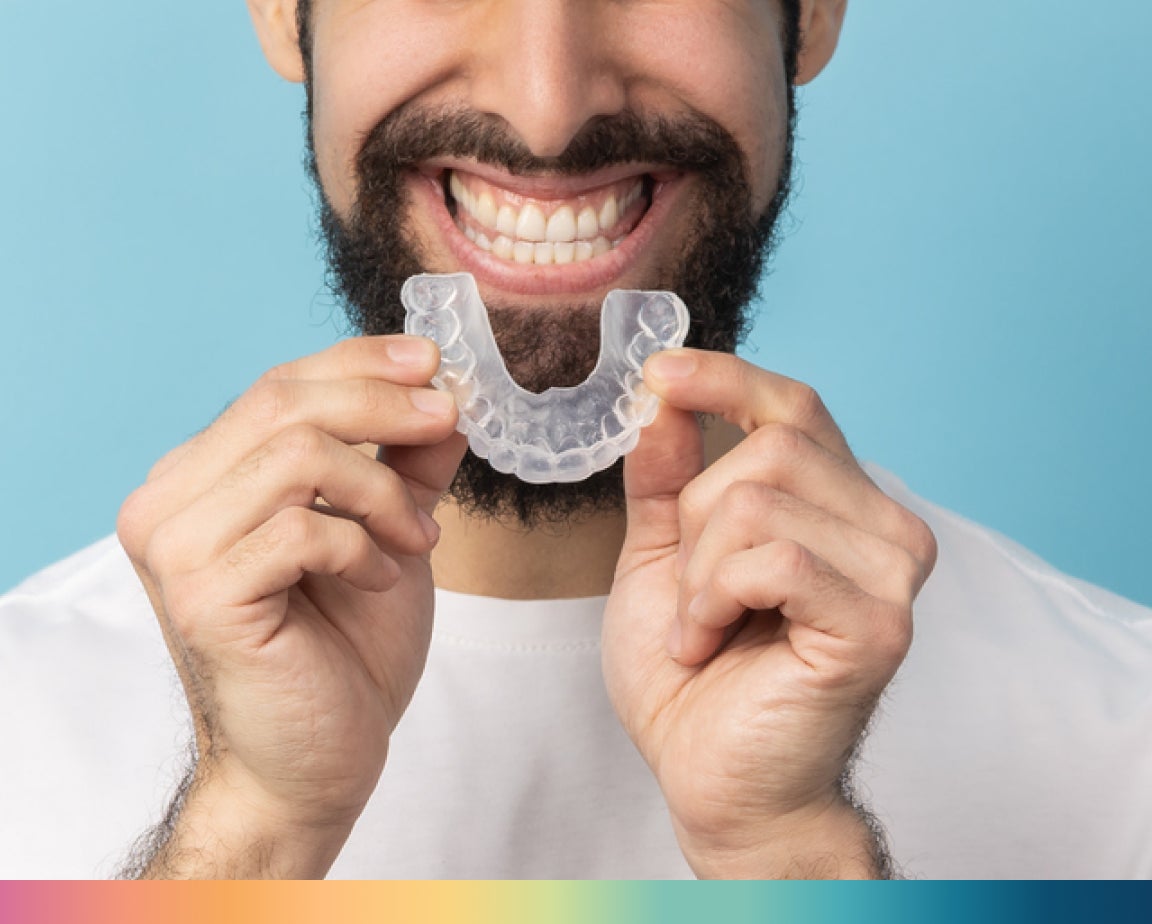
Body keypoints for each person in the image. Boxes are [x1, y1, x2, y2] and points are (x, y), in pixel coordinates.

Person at [2, 0, 1150, 880]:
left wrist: (792, 863)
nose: (548, 108)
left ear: (811, 11)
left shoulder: (1120, 749)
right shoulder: (25, 726)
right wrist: (243, 840)